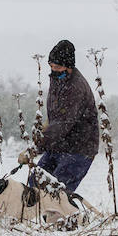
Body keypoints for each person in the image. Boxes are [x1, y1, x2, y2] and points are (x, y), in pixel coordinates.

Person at [29, 39, 99, 193]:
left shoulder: (76, 88)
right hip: (58, 145)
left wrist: (34, 148)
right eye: (51, 65)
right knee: (34, 184)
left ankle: (67, 217)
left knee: (56, 195)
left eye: (58, 66)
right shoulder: (57, 79)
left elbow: (63, 123)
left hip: (79, 149)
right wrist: (48, 124)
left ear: (68, 67)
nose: (53, 69)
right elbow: (57, 115)